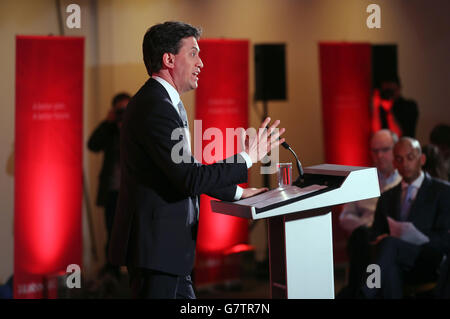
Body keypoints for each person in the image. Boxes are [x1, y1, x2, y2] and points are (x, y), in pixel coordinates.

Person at [108, 21, 285, 299]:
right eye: (193, 53)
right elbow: (189, 179)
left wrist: (238, 191)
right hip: (157, 252)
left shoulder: (164, 103)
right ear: (168, 59)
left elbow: (184, 172)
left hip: (167, 253)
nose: (200, 62)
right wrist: (247, 158)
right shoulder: (155, 106)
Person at [359, 137, 450, 298]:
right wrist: (380, 238)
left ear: (421, 159)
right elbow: (375, 233)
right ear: (394, 164)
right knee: (389, 257)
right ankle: (368, 291)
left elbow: (445, 238)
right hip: (396, 257)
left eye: (410, 158)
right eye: (399, 160)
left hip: (428, 257)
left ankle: (365, 293)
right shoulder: (387, 197)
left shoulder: (442, 191)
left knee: (390, 246)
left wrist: (419, 237)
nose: (405, 164)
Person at [87, 92, 130, 278]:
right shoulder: (109, 130)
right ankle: (112, 273)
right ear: (113, 111)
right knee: (112, 233)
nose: (123, 114)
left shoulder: (138, 126)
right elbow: (92, 145)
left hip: (133, 191)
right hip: (113, 192)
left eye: (127, 109)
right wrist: (108, 122)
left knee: (134, 233)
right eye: (120, 110)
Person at [339, 129, 401, 234]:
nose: (379, 155)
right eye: (375, 151)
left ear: (397, 150)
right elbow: (344, 217)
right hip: (367, 238)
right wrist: (366, 227)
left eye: (385, 150)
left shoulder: (405, 181)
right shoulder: (361, 182)